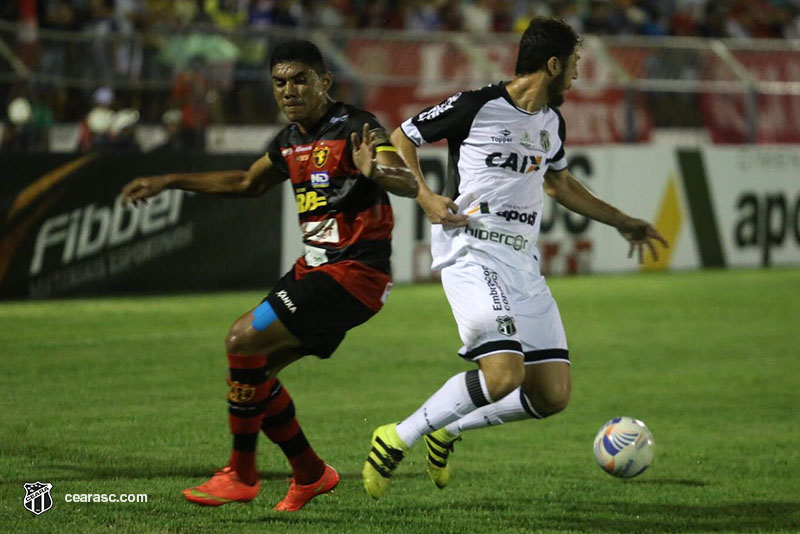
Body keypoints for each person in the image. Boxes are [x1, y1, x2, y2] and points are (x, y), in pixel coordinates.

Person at [361, 17, 668, 499]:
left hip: (523, 264)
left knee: (551, 395)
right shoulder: (476, 104)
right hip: (472, 249)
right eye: (574, 64)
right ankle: (397, 437)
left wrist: (621, 220)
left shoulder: (551, 121)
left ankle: (449, 428)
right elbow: (402, 136)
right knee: (504, 375)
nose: (577, 75)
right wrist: (425, 196)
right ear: (552, 63)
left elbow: (560, 182)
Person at [121, 39, 418, 511]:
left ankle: (241, 474)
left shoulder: (357, 127)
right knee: (255, 380)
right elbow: (245, 183)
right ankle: (310, 473)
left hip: (355, 274)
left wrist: (377, 171)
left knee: (241, 338)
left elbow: (405, 180)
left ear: (325, 81)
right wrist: (168, 180)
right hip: (316, 272)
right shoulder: (290, 141)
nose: (289, 90)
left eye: (300, 79)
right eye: (280, 82)